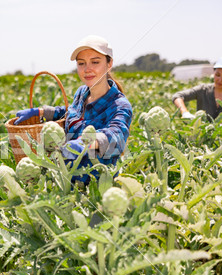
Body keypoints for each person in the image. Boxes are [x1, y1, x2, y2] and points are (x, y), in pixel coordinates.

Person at [14, 35, 133, 184]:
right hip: (65, 180)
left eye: (95, 62)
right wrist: (42, 112)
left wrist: (85, 143)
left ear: (109, 64)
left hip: (96, 188)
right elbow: (70, 113)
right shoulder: (81, 93)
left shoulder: (119, 104)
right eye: (81, 63)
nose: (87, 69)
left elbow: (117, 135)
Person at [172, 56, 222, 131]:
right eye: (217, 75)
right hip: (199, 138)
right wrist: (184, 112)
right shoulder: (202, 90)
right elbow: (177, 96)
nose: (220, 80)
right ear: (214, 72)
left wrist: (212, 130)